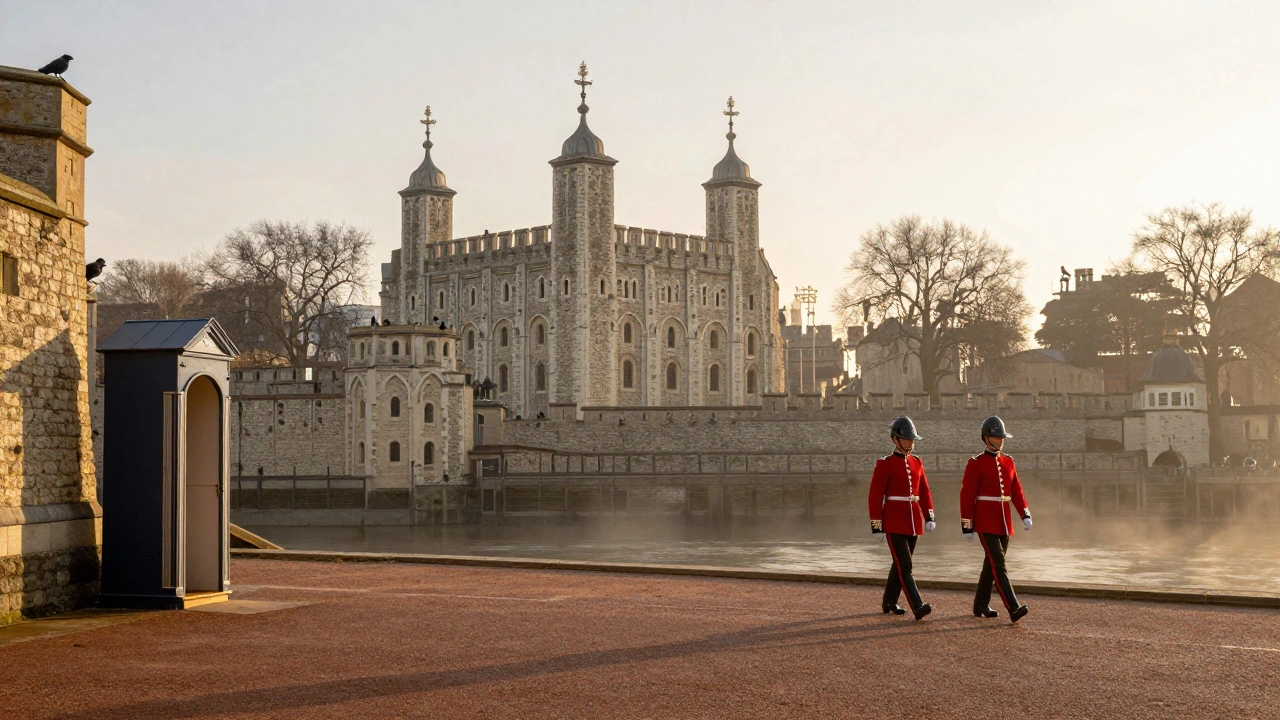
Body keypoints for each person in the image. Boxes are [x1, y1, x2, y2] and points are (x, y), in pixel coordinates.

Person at [960, 416, 1032, 623]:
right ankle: (1013, 607)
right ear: (986, 438)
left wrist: (1024, 513)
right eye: (996, 437)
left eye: (1001, 437)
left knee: (990, 566)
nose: (1000, 441)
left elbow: (1016, 490)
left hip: (1004, 521)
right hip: (985, 521)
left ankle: (980, 604)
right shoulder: (976, 463)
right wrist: (967, 525)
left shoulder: (1008, 461)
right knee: (999, 565)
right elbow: (967, 495)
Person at [868, 416, 935, 620]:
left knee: (900, 564)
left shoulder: (916, 462)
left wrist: (929, 514)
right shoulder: (884, 463)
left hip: (913, 520)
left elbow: (924, 490)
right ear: (896, 440)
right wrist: (876, 525)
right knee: (905, 565)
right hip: (894, 520)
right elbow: (875, 495)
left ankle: (889, 601)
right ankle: (917, 605)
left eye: (912, 440)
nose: (911, 443)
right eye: (907, 439)